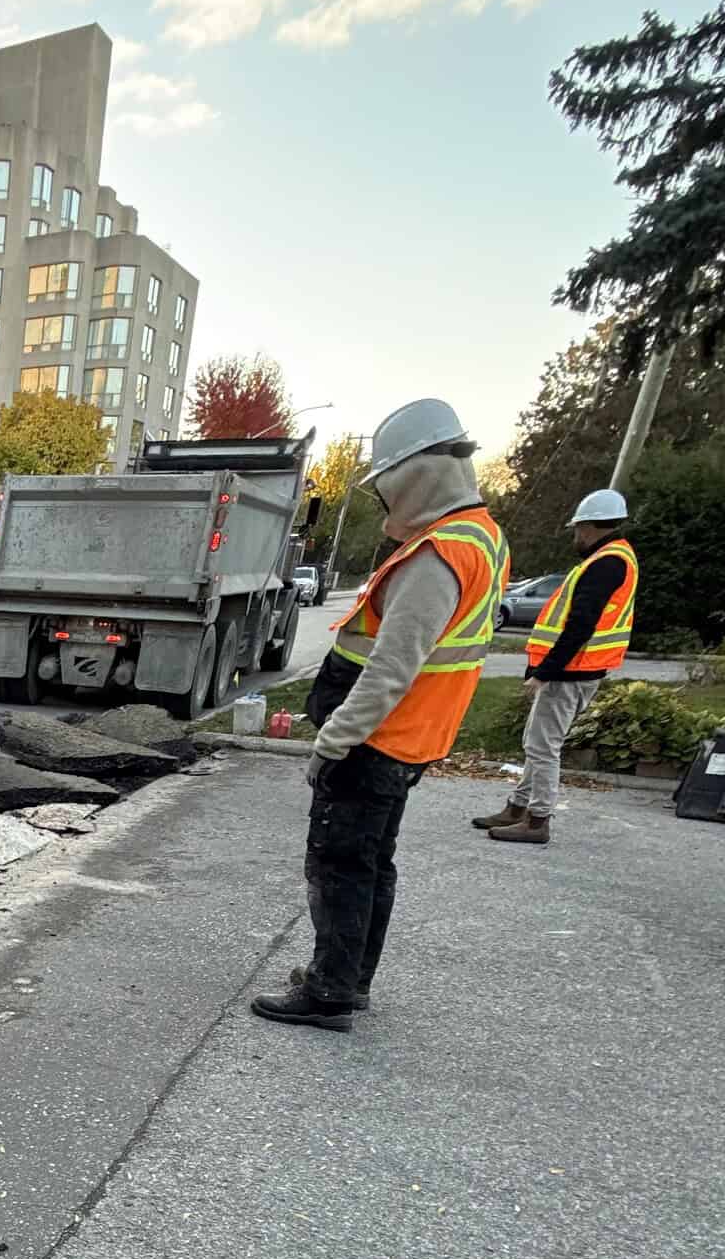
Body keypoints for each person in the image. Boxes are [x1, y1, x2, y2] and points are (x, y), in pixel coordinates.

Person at [252, 397, 508, 1033]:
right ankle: (345, 976)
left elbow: (393, 668)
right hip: (408, 739)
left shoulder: (438, 554)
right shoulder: (479, 538)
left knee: (339, 863)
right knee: (370, 862)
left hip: (376, 741)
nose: (382, 502)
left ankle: (332, 990)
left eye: (383, 486)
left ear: (413, 475)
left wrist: (333, 740)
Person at [475, 488, 637, 847]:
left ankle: (537, 819)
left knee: (543, 746)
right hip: (578, 671)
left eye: (577, 530)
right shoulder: (613, 558)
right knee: (537, 741)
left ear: (590, 527)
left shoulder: (606, 564)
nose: (575, 537)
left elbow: (580, 625)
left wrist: (544, 672)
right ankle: (517, 808)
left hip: (571, 672)